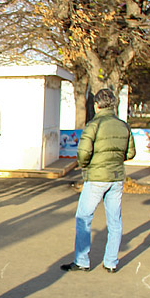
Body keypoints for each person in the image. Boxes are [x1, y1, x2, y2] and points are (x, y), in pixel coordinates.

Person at [61, 88, 135, 273]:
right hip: (116, 177)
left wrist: (86, 165)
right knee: (115, 220)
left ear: (97, 105)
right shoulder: (124, 125)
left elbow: (83, 153)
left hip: (96, 177)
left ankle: (82, 260)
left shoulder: (94, 125)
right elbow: (131, 153)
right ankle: (111, 262)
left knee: (84, 217)